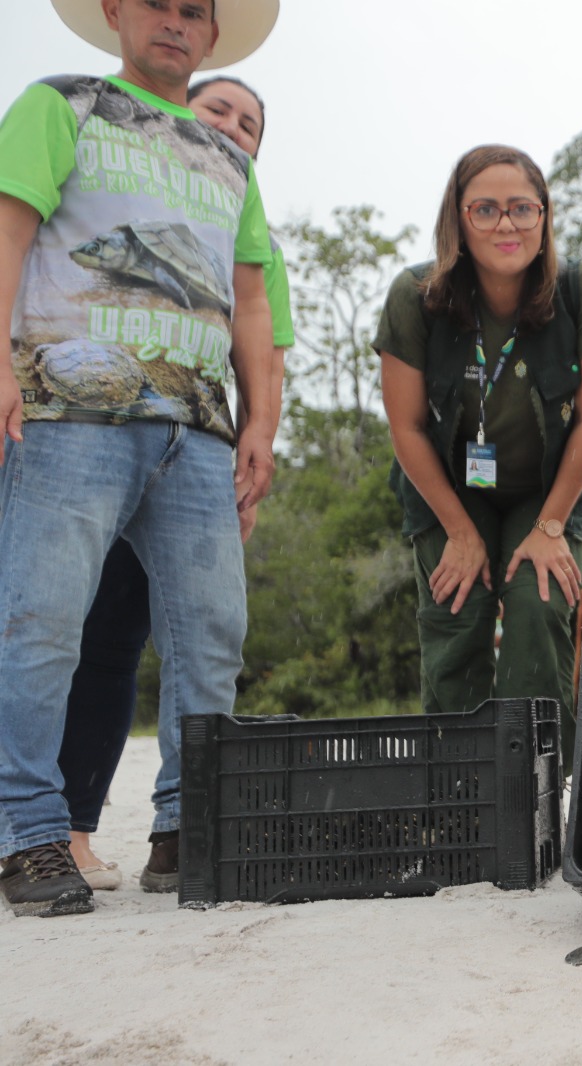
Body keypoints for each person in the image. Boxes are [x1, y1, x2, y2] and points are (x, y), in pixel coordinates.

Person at [0, 0, 281, 917]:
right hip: (68, 406)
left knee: (212, 634)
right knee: (40, 622)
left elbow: (250, 306)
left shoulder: (232, 162)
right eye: (156, 2)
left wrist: (260, 428)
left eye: (194, 11)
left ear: (211, 33)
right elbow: (9, 232)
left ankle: (187, 825)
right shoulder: (60, 102)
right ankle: (28, 833)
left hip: (197, 427)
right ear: (116, 12)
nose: (175, 21)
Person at [53, 72, 294, 895]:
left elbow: (264, 350)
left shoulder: (244, 234)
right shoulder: (107, 184)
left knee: (173, 643)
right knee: (78, 639)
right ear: (175, 113)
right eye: (217, 109)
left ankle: (167, 828)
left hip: (191, 449)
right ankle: (63, 832)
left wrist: (255, 447)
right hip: (81, 431)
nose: (232, 127)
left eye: (250, 124)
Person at [377, 144, 582, 768]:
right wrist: (459, 532)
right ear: (457, 219)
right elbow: (406, 427)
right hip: (448, 490)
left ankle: (537, 786)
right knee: (455, 613)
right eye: (484, 209)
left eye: (522, 208)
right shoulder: (414, 296)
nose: (506, 224)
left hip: (549, 492)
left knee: (539, 605)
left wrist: (550, 528)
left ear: (544, 216)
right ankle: (457, 791)